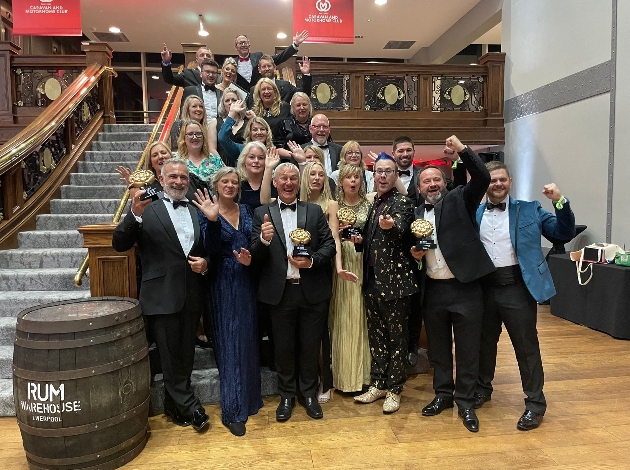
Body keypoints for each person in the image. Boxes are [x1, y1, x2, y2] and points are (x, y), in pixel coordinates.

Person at [474, 161, 575, 431]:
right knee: (484, 344)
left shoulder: (530, 209)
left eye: (502, 180)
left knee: (526, 347)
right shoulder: (476, 213)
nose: (497, 184)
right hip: (484, 288)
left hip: (518, 288)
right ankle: (483, 389)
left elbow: (562, 233)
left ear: (510, 181)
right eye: (492, 180)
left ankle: (535, 403)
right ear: (485, 184)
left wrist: (560, 201)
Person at [112, 158, 210, 432]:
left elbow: (205, 249)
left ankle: (173, 405)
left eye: (183, 177)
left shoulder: (195, 209)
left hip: (191, 293)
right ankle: (191, 406)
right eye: (173, 177)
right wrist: (134, 213)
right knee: (169, 356)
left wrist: (206, 264)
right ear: (162, 180)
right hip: (160, 294)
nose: (179, 181)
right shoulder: (146, 206)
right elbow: (119, 244)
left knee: (186, 355)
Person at [410, 135, 495, 433]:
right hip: (433, 290)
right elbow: (413, 254)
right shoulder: (417, 214)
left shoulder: (461, 198)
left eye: (436, 180)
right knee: (439, 349)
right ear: (419, 188)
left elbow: (482, 176)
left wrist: (462, 149)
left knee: (468, 348)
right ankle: (443, 395)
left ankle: (466, 401)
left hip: (466, 288)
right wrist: (415, 255)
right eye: (426, 182)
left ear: (444, 182)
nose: (432, 185)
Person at [250, 162, 336, 422]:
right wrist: (264, 240)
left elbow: (330, 244)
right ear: (274, 183)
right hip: (280, 293)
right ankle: (286, 395)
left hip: (311, 290)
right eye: (283, 178)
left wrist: (311, 261)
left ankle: (308, 393)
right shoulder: (261, 213)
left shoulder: (314, 211)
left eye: (293, 178)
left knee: (311, 346)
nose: (288, 183)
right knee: (283, 348)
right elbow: (254, 255)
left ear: (298, 183)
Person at [194, 168, 264, 437]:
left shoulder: (247, 210)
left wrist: (253, 257)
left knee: (246, 340)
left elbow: (254, 244)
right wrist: (212, 221)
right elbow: (210, 248)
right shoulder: (207, 211)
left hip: (246, 281)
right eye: (225, 181)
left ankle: (250, 400)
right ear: (216, 184)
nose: (231, 185)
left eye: (234, 182)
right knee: (229, 344)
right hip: (221, 283)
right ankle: (233, 410)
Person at [352, 154, 418, 414]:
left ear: (395, 176)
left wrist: (390, 226)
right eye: (378, 171)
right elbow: (374, 242)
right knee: (377, 337)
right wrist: (361, 242)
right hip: (371, 283)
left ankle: (395, 389)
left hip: (396, 285)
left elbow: (401, 228)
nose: (381, 176)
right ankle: (378, 383)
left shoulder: (402, 202)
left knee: (397, 340)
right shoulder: (373, 204)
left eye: (387, 171)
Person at [328, 164, 373, 393]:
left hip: (363, 261)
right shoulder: (334, 205)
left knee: (362, 319)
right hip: (343, 262)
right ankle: (345, 379)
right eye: (348, 177)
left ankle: (364, 376)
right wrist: (339, 268)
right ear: (341, 182)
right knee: (344, 319)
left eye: (357, 177)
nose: (353, 181)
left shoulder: (370, 202)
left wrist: (362, 240)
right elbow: (334, 238)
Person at [298, 161, 335, 403]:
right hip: (294, 276)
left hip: (321, 271)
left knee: (322, 332)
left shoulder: (329, 204)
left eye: (321, 174)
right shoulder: (294, 203)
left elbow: (333, 244)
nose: (317, 178)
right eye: (312, 174)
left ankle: (325, 380)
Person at [233, 31, 309, 90]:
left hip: (260, 96)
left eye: (245, 42)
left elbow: (280, 57)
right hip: (240, 100)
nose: (243, 45)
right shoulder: (232, 63)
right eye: (240, 43)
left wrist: (295, 44)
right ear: (236, 47)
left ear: (249, 45)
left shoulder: (258, 57)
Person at [175, 120, 224, 195]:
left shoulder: (215, 160)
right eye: (190, 134)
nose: (195, 137)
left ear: (203, 137)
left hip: (213, 204)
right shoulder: (175, 160)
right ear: (184, 138)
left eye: (198, 134)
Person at [218, 100, 274, 164]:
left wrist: (255, 119)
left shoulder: (272, 152)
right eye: (254, 130)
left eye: (262, 129)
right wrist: (231, 114)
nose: (259, 132)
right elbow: (222, 138)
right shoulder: (240, 149)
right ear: (249, 133)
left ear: (267, 132)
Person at [246, 55, 312, 107]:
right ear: (259, 69)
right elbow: (252, 110)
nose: (267, 69)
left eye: (269, 66)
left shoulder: (286, 86)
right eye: (264, 66)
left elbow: (305, 93)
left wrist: (306, 74)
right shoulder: (254, 90)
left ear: (274, 67)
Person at [209, 88, 247, 166]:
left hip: (243, 165)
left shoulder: (248, 123)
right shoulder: (215, 122)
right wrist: (222, 167)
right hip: (221, 166)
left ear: (240, 102)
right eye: (227, 100)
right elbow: (211, 148)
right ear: (223, 104)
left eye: (234, 100)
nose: (230, 103)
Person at [251, 78, 291, 149]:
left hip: (282, 148)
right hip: (261, 148)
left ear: (275, 91)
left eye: (269, 89)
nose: (266, 92)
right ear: (259, 93)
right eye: (263, 89)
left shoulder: (285, 107)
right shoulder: (254, 111)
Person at [393, 136, 422, 205]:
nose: (405, 154)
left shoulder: (422, 174)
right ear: (393, 154)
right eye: (400, 151)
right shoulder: (387, 176)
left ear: (413, 152)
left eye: (408, 150)